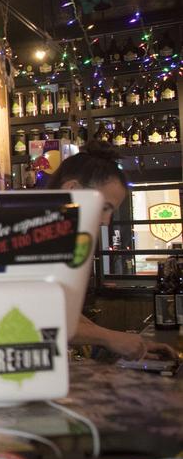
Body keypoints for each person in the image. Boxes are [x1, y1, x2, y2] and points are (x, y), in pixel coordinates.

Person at [47, 142, 176, 361]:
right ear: (72, 190)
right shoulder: (28, 237)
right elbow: (39, 317)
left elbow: (59, 309)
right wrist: (109, 338)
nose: (106, 221)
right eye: (104, 207)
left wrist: (128, 342)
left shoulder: (61, 240)